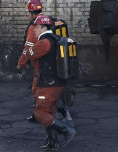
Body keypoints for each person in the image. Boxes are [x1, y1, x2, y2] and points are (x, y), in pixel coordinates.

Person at [23, 14, 76, 150]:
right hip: (57, 83)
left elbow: (29, 54)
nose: (34, 29)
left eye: (36, 27)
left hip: (48, 84)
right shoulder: (55, 39)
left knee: (39, 113)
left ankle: (66, 130)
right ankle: (52, 142)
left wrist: (29, 50)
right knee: (49, 112)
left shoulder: (44, 42)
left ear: (43, 27)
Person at [16, 0, 43, 123]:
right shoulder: (48, 21)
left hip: (41, 63)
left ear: (31, 12)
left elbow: (28, 47)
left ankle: (39, 115)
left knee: (36, 88)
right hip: (53, 61)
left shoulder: (34, 26)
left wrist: (20, 64)